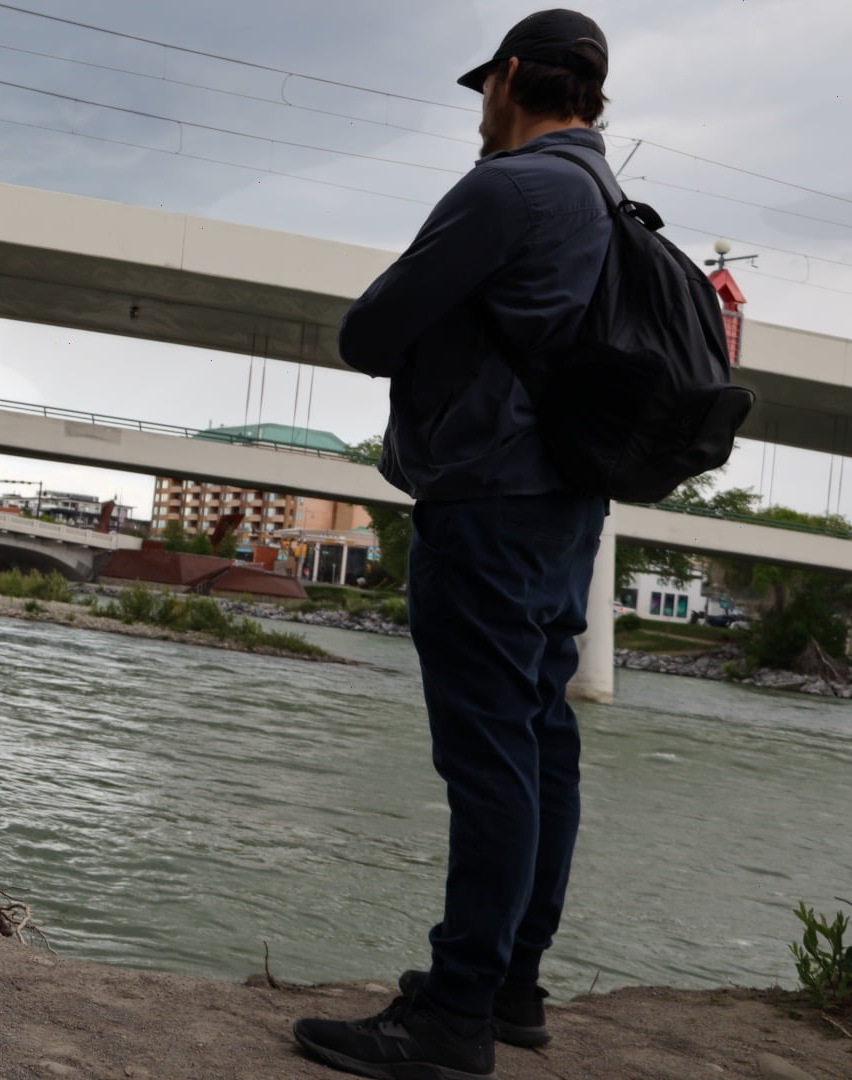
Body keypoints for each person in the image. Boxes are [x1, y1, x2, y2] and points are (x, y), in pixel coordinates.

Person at [292, 11, 615, 1080]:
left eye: (486, 87)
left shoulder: (510, 188)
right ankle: (513, 986)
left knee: (487, 759)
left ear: (512, 77)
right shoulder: (614, 203)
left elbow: (366, 332)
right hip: (569, 511)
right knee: (538, 741)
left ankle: (454, 1019)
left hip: (488, 504)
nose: (481, 109)